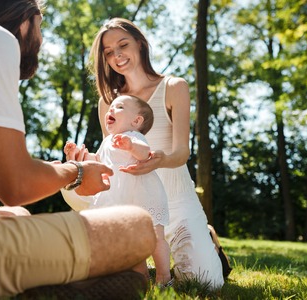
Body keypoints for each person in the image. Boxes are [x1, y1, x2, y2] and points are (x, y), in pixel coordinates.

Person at [0, 2, 157, 299]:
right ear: (24, 22)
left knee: (16, 215)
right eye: (40, 26)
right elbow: (17, 185)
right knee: (138, 226)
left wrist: (54, 173)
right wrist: (77, 172)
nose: (41, 40)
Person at [88, 17, 225, 289]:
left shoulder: (174, 87)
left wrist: (158, 160)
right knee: (113, 278)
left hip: (176, 200)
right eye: (108, 51)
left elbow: (181, 152)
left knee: (207, 283)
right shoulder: (109, 103)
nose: (117, 55)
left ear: (140, 44)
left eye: (123, 45)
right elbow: (110, 158)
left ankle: (205, 239)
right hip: (133, 203)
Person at [62, 95, 172, 286]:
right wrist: (78, 156)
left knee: (155, 237)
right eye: (110, 107)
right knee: (130, 243)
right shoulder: (107, 141)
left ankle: (164, 275)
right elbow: (97, 162)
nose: (110, 110)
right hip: (119, 198)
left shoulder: (133, 136)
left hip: (143, 197)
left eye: (119, 107)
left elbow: (145, 152)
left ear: (136, 121)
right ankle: (141, 278)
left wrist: (130, 146)